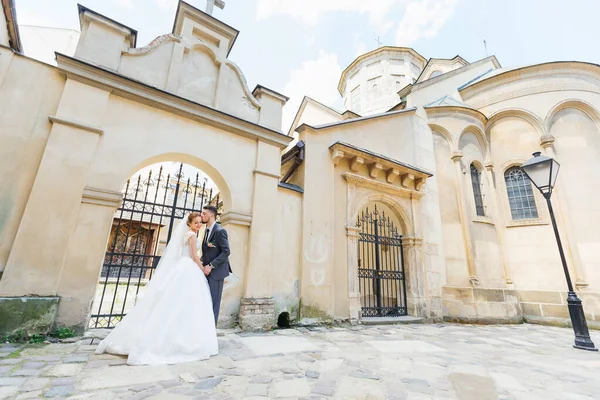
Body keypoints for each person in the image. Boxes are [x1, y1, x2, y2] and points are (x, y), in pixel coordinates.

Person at [94, 212, 218, 365]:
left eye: (200, 222)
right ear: (189, 224)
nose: (199, 225)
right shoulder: (192, 236)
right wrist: (202, 268)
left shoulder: (186, 234)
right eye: (196, 222)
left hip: (182, 266)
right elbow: (194, 256)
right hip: (189, 267)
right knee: (187, 302)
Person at [199, 205, 232, 325]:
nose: (201, 216)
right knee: (206, 301)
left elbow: (226, 251)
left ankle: (211, 331)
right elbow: (206, 252)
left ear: (212, 215)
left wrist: (211, 265)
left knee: (214, 302)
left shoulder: (220, 230)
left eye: (204, 214)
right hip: (206, 271)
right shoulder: (206, 230)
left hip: (216, 273)